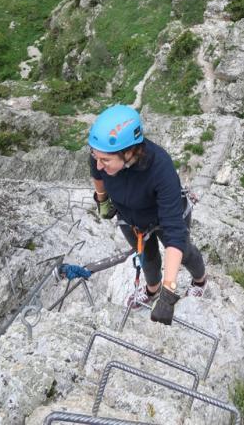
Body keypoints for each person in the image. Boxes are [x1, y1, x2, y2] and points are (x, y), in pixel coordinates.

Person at [89, 103, 207, 326]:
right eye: (96, 156)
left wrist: (169, 293)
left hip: (164, 218)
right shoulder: (101, 158)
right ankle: (152, 289)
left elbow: (174, 232)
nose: (99, 164)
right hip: (131, 219)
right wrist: (102, 199)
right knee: (146, 256)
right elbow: (96, 171)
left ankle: (199, 281)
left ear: (129, 151)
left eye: (105, 160)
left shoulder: (160, 168)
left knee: (186, 251)